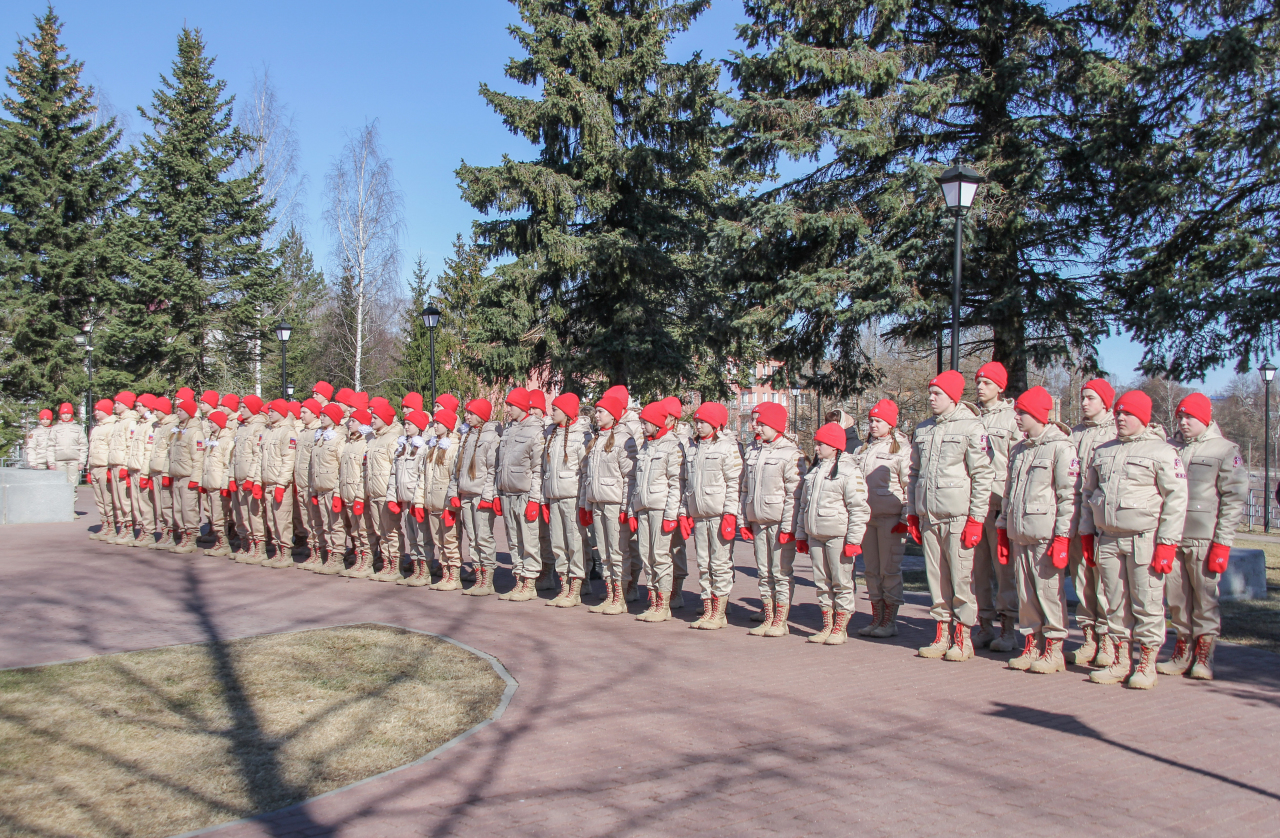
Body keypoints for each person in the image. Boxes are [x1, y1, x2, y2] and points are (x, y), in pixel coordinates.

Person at [1079, 390, 1187, 689]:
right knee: (1114, 603)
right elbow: (1088, 495)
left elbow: (1176, 500)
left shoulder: (1163, 452)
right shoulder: (1104, 450)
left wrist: (1167, 543)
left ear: (1142, 417)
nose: (1121, 418)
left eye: (1128, 414)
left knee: (1147, 602)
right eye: (1119, 414)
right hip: (1108, 539)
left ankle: (1147, 663)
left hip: (1144, 540)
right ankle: (1120, 660)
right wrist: (1087, 533)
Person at [905, 370, 994, 661]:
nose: (931, 398)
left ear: (953, 396)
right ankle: (942, 632)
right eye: (930, 393)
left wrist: (976, 519)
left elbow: (982, 475)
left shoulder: (972, 428)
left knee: (960, 580)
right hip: (929, 517)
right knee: (936, 578)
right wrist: (914, 514)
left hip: (958, 516)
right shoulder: (923, 430)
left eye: (937, 393)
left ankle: (963, 637)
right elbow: (914, 474)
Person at [1157, 392, 1247, 681]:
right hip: (1173, 537)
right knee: (1177, 598)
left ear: (1204, 419)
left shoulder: (1224, 450)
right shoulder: (1168, 448)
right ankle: (1182, 650)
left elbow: (1233, 500)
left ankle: (1204, 655)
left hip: (1204, 539)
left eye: (1189, 417)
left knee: (1205, 599)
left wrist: (1223, 542)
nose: (1183, 423)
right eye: (1180, 417)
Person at [995, 387, 1077, 673]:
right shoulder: (1018, 449)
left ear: (1039, 415)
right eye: (1016, 412)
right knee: (1026, 594)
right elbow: (1009, 492)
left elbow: (1069, 496)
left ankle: (1053, 649)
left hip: (1045, 534)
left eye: (1023, 413)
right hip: (1020, 532)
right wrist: (1003, 527)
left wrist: (1063, 536)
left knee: (1048, 593)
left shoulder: (1061, 447)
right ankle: (1032, 643)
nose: (1017, 417)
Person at [796, 422, 871, 644]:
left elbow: (858, 508)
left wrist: (854, 540)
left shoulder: (849, 471)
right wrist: (801, 534)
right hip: (815, 534)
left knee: (841, 582)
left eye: (821, 444)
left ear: (835, 446)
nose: (816, 448)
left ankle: (840, 627)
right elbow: (803, 506)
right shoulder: (815, 471)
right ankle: (827, 625)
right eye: (816, 443)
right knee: (822, 582)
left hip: (838, 536)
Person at [741, 402, 806, 637]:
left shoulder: (791, 453)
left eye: (762, 423)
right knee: (763, 571)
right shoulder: (754, 451)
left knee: (780, 571)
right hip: (758, 519)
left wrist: (789, 527)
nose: (757, 426)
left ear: (775, 425)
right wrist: (745, 520)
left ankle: (780, 619)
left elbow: (794, 495)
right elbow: (745, 489)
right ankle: (768, 616)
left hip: (779, 522)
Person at [971, 362, 1022, 652]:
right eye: (978, 382)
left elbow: (1017, 463)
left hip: (1000, 501)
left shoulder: (1013, 419)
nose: (980, 387)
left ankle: (1008, 630)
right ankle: (985, 626)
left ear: (1000, 387)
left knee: (1004, 571)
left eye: (987, 383)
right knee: (978, 570)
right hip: (975, 503)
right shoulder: (971, 419)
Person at [1067, 379, 1118, 667]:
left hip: (1104, 520)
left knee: (1106, 585)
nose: (1085, 403)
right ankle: (1089, 638)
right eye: (1082, 397)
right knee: (1083, 580)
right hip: (1077, 518)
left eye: (1090, 398)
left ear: (1105, 402)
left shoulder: (1115, 432)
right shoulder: (1074, 434)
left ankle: (1108, 641)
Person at [851, 399, 911, 637]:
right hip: (867, 519)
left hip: (891, 520)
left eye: (878, 421)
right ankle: (877, 618)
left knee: (889, 570)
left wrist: (905, 518)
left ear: (890, 424)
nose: (873, 425)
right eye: (871, 421)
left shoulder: (902, 450)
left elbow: (909, 486)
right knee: (872, 571)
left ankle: (890, 621)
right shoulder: (862, 450)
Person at [680, 401, 742, 630]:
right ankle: (707, 608)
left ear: (715, 424)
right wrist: (684, 512)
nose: (698, 425)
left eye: (703, 422)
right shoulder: (693, 448)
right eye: (696, 421)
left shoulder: (727, 448)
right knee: (704, 564)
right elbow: (687, 483)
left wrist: (730, 513)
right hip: (699, 514)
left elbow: (734, 483)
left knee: (720, 563)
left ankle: (720, 612)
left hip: (718, 515)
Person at [627, 400, 685, 622]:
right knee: (646, 555)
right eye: (641, 422)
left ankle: (663, 604)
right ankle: (654, 601)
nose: (642, 427)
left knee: (660, 556)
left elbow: (675, 484)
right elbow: (638, 482)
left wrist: (671, 515)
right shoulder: (646, 446)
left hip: (661, 509)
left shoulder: (672, 446)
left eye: (646, 423)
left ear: (658, 423)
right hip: (643, 508)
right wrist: (633, 510)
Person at [581, 392, 639, 615]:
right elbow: (588, 476)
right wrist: (587, 505)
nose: (596, 415)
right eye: (596, 411)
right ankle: (610, 593)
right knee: (604, 553)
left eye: (600, 411)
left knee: (618, 552)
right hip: (597, 503)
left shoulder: (625, 440)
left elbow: (629, 478)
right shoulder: (597, 440)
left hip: (615, 504)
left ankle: (621, 597)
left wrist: (626, 508)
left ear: (613, 415)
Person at [541, 393, 593, 607]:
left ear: (567, 412)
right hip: (554, 497)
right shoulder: (552, 434)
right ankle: (564, 584)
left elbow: (584, 472)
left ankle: (576, 587)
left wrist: (583, 504)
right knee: (558, 543)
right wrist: (544, 498)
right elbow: (545, 469)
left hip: (571, 497)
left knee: (575, 543)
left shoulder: (581, 436)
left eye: (555, 409)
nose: (551, 412)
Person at [496, 388, 547, 602]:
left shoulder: (535, 432)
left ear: (522, 406)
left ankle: (530, 582)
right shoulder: (508, 431)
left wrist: (534, 500)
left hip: (525, 494)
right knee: (514, 540)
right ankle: (518, 578)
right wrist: (498, 492)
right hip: (507, 492)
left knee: (529, 540)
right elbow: (500, 464)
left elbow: (538, 469)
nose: (507, 409)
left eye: (511, 405)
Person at [454, 398, 502, 596]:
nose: (467, 416)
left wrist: (488, 496)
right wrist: (455, 492)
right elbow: (456, 469)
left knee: (483, 537)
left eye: (471, 413)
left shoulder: (491, 438)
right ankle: (479, 575)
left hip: (481, 495)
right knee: (472, 538)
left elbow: (492, 470)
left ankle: (487, 579)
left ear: (481, 416)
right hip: (466, 493)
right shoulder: (468, 436)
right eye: (466, 412)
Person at [420, 409, 464, 590]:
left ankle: (454, 575)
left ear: (447, 425)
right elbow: (425, 475)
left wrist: (451, 502)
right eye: (434, 423)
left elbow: (454, 476)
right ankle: (445, 572)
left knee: (450, 539)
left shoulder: (453, 447)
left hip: (446, 503)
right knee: (439, 541)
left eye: (438, 423)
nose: (434, 425)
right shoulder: (433, 446)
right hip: (433, 503)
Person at [387, 409, 431, 586]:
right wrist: (393, 497)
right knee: (411, 537)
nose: (406, 427)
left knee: (422, 536)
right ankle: (416, 566)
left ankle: (425, 569)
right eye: (405, 423)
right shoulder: (402, 447)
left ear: (419, 427)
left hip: (416, 499)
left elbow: (423, 476)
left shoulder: (423, 448)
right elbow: (394, 473)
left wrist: (418, 501)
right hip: (404, 499)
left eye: (409, 424)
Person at [256, 400, 298, 567]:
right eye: (269, 411)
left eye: (273, 411)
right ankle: (277, 550)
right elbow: (259, 458)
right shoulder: (267, 431)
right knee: (272, 520)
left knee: (282, 519)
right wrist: (258, 481)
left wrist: (281, 484)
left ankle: (286, 553)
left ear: (281, 413)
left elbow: (288, 460)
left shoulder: (287, 432)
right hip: (268, 481)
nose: (269, 413)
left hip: (280, 484)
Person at [365, 401, 403, 582]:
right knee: (381, 531)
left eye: (375, 418)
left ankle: (396, 564)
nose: (371, 420)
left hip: (386, 493)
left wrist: (393, 494)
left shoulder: (392, 439)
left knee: (391, 530)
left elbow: (395, 468)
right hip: (374, 492)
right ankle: (387, 562)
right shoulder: (373, 439)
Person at [307, 404, 348, 574]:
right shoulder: (320, 436)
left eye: (325, 415)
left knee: (336, 524)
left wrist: (338, 492)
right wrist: (314, 489)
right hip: (321, 486)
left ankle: (338, 557)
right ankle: (330, 554)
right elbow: (313, 466)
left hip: (332, 487)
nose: (321, 418)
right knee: (325, 523)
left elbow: (341, 467)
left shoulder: (338, 439)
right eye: (321, 415)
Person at [337, 410, 374, 577]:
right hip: (347, 493)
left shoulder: (366, 444)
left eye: (353, 421)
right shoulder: (348, 443)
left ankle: (368, 560)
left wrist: (360, 495)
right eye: (349, 420)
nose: (349, 424)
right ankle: (359, 557)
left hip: (359, 495)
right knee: (355, 530)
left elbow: (364, 473)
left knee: (364, 530)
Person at [167, 398, 206, 554]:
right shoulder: (178, 430)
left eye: (181, 410)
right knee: (178, 509)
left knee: (188, 509)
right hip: (177, 475)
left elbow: (198, 458)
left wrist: (195, 478)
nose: (178, 412)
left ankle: (190, 537)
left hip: (188, 477)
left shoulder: (195, 432)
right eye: (177, 409)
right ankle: (183, 534)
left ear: (189, 413)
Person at [231, 396, 267, 562]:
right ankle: (247, 542)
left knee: (254, 514)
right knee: (242, 514)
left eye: (244, 407)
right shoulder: (242, 427)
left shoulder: (258, 427)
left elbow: (257, 455)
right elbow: (235, 455)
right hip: (239, 475)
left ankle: (259, 547)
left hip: (249, 478)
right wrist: (232, 476)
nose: (241, 410)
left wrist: (251, 478)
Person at [290, 398, 323, 566]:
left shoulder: (318, 432)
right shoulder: (302, 432)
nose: (301, 415)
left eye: (304, 412)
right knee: (307, 521)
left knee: (316, 521)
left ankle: (320, 552)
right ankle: (313, 550)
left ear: (314, 413)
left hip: (311, 485)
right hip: (301, 483)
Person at [201, 409, 238, 556]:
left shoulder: (226, 441)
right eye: (209, 421)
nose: (209, 425)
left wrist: (224, 485)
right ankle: (218, 540)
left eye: (212, 422)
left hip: (218, 485)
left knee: (219, 515)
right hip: (210, 483)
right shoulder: (211, 440)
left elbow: (226, 465)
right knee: (213, 514)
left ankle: (223, 543)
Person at [125, 395, 159, 547]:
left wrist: (145, 473)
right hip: (134, 468)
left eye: (140, 406)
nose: (137, 408)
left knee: (145, 502)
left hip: (142, 469)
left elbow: (148, 450)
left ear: (148, 407)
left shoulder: (151, 425)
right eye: (136, 406)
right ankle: (142, 530)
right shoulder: (139, 424)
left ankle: (149, 531)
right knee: (136, 502)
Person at [106, 391, 139, 543]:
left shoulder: (130, 422)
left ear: (126, 405)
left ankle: (130, 530)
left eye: (118, 403)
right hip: (114, 464)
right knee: (117, 500)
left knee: (125, 500)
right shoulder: (118, 422)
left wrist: (125, 466)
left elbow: (129, 445)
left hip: (122, 465)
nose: (115, 406)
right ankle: (122, 528)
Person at [146, 398, 178, 549]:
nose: (154, 413)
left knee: (167, 504)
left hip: (164, 471)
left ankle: (171, 533)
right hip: (155, 469)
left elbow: (169, 452)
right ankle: (165, 531)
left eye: (157, 410)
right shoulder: (157, 427)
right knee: (159, 504)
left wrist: (166, 472)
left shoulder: (171, 427)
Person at [87, 399, 116, 540]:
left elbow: (112, 449)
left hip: (104, 467)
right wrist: (89, 468)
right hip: (94, 466)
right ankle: (104, 523)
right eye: (95, 410)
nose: (95, 412)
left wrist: (111, 468)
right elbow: (91, 450)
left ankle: (112, 526)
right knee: (99, 500)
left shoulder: (112, 427)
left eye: (98, 410)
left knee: (107, 499)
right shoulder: (96, 428)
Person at [48, 402, 88, 486]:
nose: (66, 416)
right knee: (60, 485)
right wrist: (51, 463)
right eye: (64, 414)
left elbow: (83, 446)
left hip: (74, 461)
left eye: (68, 413)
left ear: (71, 414)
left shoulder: (78, 428)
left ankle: (72, 499)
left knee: (73, 486)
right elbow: (50, 446)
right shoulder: (55, 429)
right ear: (60, 415)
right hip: (59, 461)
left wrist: (81, 462)